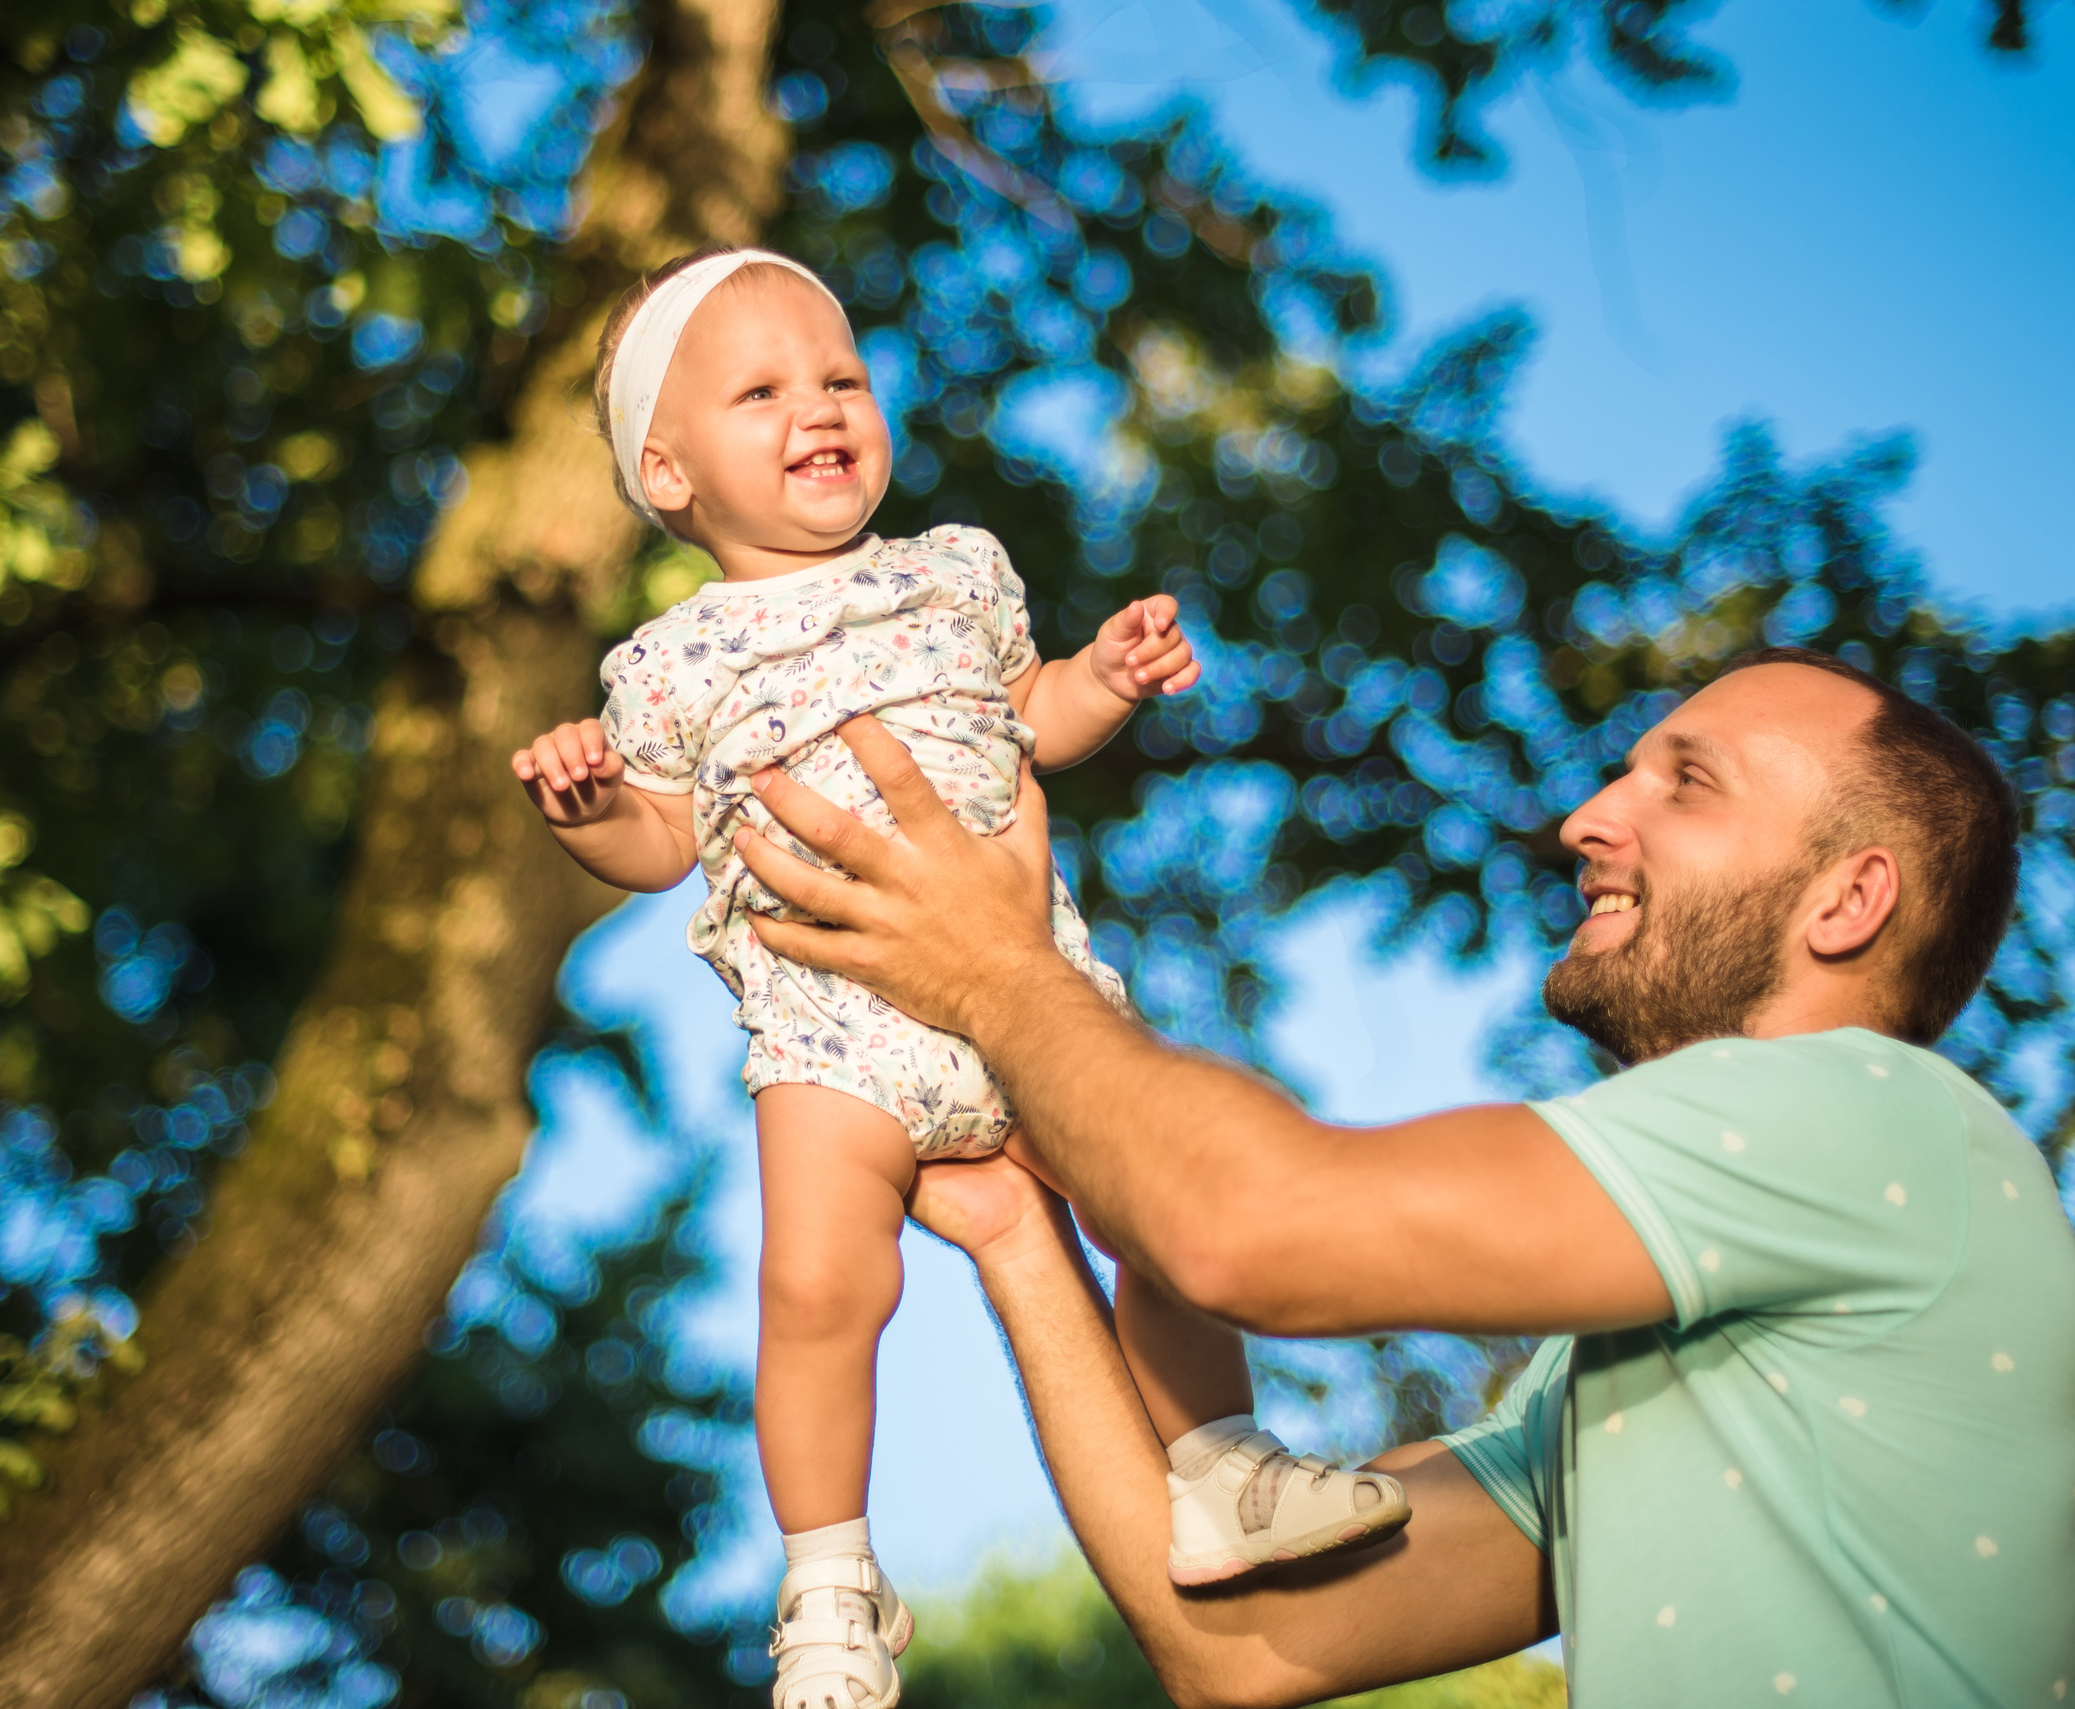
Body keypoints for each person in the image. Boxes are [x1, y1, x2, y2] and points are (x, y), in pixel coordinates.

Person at [732, 652, 2075, 1708]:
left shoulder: (1880, 1118)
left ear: (1849, 900)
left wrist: (996, 967)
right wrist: (1020, 1231)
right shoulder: (1617, 1381)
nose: (1586, 817)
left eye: (1686, 781)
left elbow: (1244, 1227)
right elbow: (1247, 1642)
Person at [510, 247, 1406, 1709]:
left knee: (1163, 1211)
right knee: (814, 1284)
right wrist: (588, 804)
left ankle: (1223, 1465)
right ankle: (830, 1583)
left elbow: (1028, 717)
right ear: (667, 473)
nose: (820, 405)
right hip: (831, 1023)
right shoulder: (664, 666)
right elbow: (663, 839)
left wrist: (1104, 679)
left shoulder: (955, 569)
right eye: (762, 389)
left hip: (1030, 991)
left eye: (842, 376)